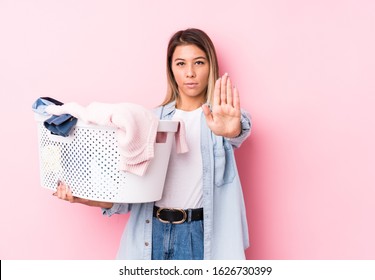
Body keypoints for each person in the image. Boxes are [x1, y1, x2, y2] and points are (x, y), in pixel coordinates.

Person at [54, 28, 252, 260]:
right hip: (151, 235)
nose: (190, 72)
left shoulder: (221, 118)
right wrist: (83, 197)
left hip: (199, 237)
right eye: (180, 64)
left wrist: (233, 129)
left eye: (199, 62)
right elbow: (127, 197)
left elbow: (238, 130)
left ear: (210, 66)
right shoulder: (148, 121)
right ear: (171, 69)